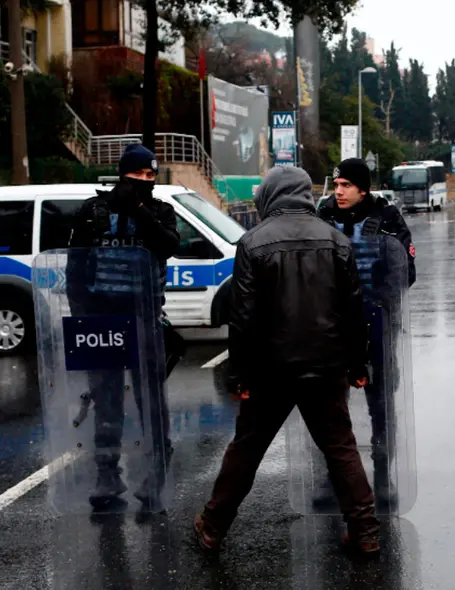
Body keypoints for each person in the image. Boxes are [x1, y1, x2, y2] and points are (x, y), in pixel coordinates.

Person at [193, 165, 380, 556]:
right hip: (326, 366)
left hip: (269, 371)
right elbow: (352, 311)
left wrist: (240, 374)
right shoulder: (336, 239)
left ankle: (212, 527)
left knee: (246, 450)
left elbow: (242, 316)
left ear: (271, 196)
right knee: (341, 449)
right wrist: (357, 364)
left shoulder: (253, 242)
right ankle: (365, 532)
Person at [67, 144, 181, 511]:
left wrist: (139, 211)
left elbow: (168, 246)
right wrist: (82, 319)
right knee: (106, 401)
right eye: (138, 176)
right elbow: (75, 271)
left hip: (145, 319)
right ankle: (106, 475)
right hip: (104, 321)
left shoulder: (161, 211)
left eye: (151, 176)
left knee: (152, 402)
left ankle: (154, 478)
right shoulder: (93, 211)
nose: (145, 182)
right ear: (122, 175)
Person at [315, 158, 416, 508]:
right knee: (331, 405)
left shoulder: (387, 218)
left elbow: (406, 270)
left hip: (376, 323)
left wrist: (381, 306)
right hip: (332, 326)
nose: (338, 191)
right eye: (336, 184)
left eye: (346, 185)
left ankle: (383, 475)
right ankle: (332, 477)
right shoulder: (323, 217)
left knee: (381, 402)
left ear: (363, 188)